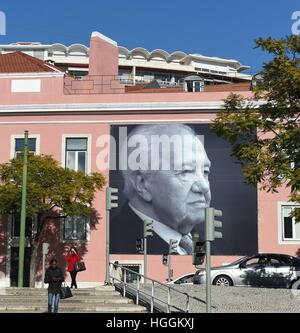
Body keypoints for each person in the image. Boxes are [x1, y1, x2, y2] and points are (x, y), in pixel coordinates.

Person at [111, 124, 211, 255]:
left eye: (205, 171)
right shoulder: (115, 243)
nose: (204, 186)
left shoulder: (212, 243)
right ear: (142, 184)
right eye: (185, 171)